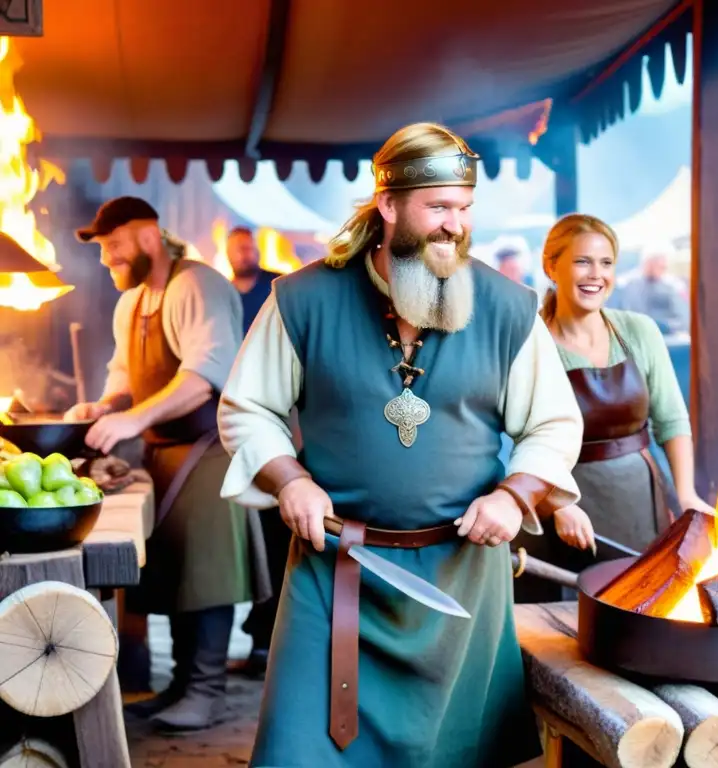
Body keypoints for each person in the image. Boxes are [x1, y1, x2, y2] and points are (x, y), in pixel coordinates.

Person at [216, 122, 584, 766]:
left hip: (462, 581)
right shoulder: (302, 300)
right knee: (300, 753)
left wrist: (513, 494)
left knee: (451, 754)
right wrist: (290, 479)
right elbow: (248, 409)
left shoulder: (508, 308)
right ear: (388, 206)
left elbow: (553, 424)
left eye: (464, 209)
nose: (454, 225)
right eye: (438, 207)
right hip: (335, 569)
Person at [65, 196, 250, 729]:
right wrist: (104, 407)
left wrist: (132, 422)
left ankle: (207, 690)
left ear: (149, 236)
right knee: (176, 570)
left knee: (208, 571)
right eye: (103, 250)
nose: (107, 260)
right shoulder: (133, 302)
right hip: (162, 452)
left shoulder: (198, 285)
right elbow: (124, 376)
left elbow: (201, 379)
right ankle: (181, 688)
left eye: (114, 246)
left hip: (211, 451)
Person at [511, 214, 713, 603]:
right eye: (582, 261)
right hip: (562, 498)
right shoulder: (529, 340)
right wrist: (556, 504)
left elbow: (671, 420)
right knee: (562, 622)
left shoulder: (639, 331)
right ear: (551, 266)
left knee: (643, 604)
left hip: (639, 498)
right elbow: (518, 435)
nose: (596, 274)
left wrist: (685, 493)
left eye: (606, 263)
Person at [224, 225, 287, 678]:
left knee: (278, 542)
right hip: (243, 424)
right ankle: (258, 640)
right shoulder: (226, 295)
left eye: (249, 246)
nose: (244, 253)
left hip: (287, 428)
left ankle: (271, 645)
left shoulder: (278, 289)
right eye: (237, 247)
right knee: (254, 547)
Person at [226, 226, 281, 333]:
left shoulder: (279, 285)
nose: (242, 255)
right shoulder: (224, 295)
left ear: (257, 250)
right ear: (228, 254)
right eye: (236, 249)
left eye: (246, 248)